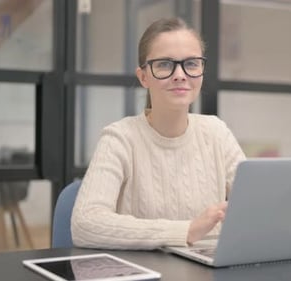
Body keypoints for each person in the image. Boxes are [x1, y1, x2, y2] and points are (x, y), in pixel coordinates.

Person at [71, 17, 246, 250]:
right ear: (143, 76)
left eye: (191, 64)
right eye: (164, 64)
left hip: (209, 269)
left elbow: (257, 206)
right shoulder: (120, 138)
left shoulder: (216, 132)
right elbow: (85, 224)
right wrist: (186, 230)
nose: (180, 74)